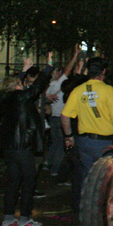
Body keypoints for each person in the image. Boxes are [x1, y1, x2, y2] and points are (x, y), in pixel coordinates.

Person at [0, 55, 52, 226]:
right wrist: (47, 68)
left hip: (9, 148)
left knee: (13, 181)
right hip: (23, 146)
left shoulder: (5, 99)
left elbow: (20, 86)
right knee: (29, 181)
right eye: (20, 83)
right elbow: (36, 87)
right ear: (17, 86)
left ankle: (7, 217)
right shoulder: (20, 97)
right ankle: (25, 218)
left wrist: (24, 70)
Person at [61, 56, 113, 198]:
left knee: (88, 177)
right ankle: (104, 209)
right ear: (103, 71)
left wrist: (68, 137)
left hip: (83, 142)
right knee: (108, 177)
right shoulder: (108, 90)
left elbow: (65, 116)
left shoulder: (78, 90)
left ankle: (86, 208)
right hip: (104, 143)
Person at [45, 45, 80, 177]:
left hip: (53, 118)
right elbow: (68, 70)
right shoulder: (57, 84)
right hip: (60, 118)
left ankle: (48, 163)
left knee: (55, 142)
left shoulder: (48, 87)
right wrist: (75, 55)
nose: (60, 73)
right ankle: (56, 169)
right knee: (61, 144)